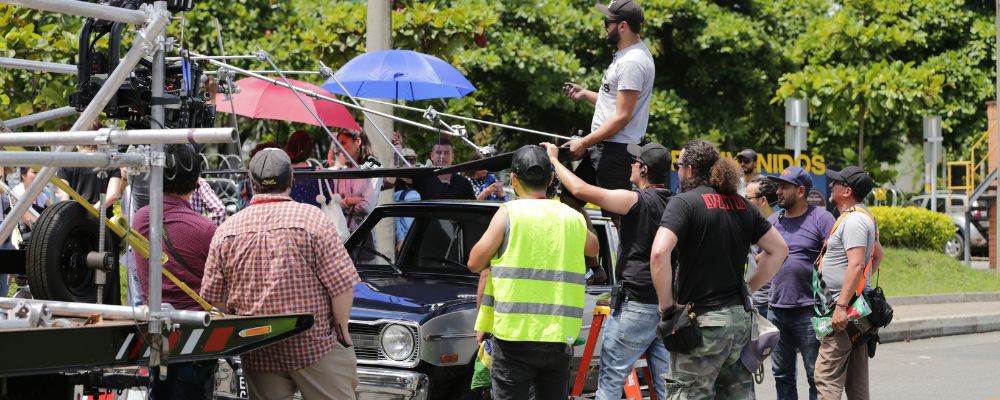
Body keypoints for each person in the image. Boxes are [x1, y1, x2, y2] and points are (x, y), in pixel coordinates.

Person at [201, 148, 360, 399]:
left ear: (252, 184)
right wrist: (342, 331)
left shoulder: (226, 230)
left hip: (258, 349)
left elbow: (215, 301)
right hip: (313, 344)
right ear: (292, 180)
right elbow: (341, 286)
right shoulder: (313, 219)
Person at [649, 139, 788, 399]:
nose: (677, 172)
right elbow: (779, 250)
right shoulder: (743, 204)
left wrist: (667, 308)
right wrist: (748, 288)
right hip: (739, 323)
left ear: (689, 170)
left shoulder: (684, 203)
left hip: (702, 324)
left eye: (679, 166)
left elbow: (659, 253)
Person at [541, 141, 671, 400]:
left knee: (611, 381)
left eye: (633, 162)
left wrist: (554, 160)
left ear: (643, 170)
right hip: (668, 307)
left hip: (636, 305)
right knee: (667, 384)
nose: (629, 166)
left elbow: (579, 189)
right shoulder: (678, 204)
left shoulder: (634, 200)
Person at [468, 145, 599, 400]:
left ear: (514, 179)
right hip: (558, 337)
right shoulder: (571, 217)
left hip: (515, 337)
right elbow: (592, 247)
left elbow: (475, 262)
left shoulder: (509, 213)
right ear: (551, 179)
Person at [133, 144, 218, 399]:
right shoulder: (204, 229)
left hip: (156, 333)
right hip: (197, 337)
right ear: (196, 183)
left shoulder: (140, 218)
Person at [561, 0, 654, 219]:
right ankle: (593, 254)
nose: (604, 26)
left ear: (622, 26)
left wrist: (584, 142)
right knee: (569, 199)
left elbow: (622, 116)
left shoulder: (632, 61)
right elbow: (615, 103)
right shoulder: (627, 55)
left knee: (618, 217)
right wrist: (585, 94)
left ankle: (626, 255)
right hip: (605, 148)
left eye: (607, 21)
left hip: (616, 152)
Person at [765, 167, 836, 400]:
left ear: (801, 190)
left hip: (810, 312)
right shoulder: (773, 221)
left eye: (784, 187)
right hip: (776, 310)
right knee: (781, 375)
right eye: (778, 186)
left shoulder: (821, 219)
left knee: (816, 375)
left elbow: (836, 259)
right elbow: (759, 258)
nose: (779, 192)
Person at [814, 166, 883, 400]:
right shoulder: (858, 216)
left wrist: (842, 306)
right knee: (856, 381)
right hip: (853, 309)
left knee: (827, 378)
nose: (831, 186)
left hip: (843, 312)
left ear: (847, 191)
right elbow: (877, 255)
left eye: (836, 183)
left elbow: (855, 264)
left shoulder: (854, 220)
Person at [330, 130, 377, 232]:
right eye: (338, 144)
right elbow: (333, 203)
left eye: (343, 143)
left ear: (357, 142)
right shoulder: (342, 171)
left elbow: (367, 206)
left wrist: (345, 201)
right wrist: (355, 200)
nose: (340, 148)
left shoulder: (373, 168)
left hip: (363, 236)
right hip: (341, 235)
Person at [745, 176, 778, 316]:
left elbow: (776, 254)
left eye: (748, 198)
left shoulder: (777, 225)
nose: (743, 202)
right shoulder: (748, 222)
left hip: (765, 303)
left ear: (762, 200)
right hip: (750, 298)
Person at [410, 137, 475, 200]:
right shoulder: (421, 181)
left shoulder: (463, 183)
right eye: (438, 152)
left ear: (452, 156)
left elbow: (473, 208)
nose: (442, 156)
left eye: (446, 153)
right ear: (432, 156)